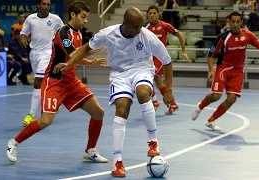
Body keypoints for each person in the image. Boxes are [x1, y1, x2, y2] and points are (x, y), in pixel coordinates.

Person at [53, 7, 175, 178]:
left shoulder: (147, 36)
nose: (140, 29)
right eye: (136, 27)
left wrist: (167, 91)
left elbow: (167, 62)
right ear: (125, 24)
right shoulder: (108, 33)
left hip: (142, 69)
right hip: (119, 74)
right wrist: (69, 63)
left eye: (141, 26)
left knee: (142, 93)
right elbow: (86, 48)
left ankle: (153, 142)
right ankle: (117, 161)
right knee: (122, 109)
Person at [6, 0, 108, 164]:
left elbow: (72, 59)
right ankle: (14, 143)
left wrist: (91, 62)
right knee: (46, 121)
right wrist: (90, 52)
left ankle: (90, 150)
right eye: (83, 17)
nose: (86, 21)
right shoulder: (63, 33)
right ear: (73, 15)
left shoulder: (79, 33)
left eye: (87, 17)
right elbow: (74, 54)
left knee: (98, 112)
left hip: (71, 82)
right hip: (55, 82)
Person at [191, 12, 259, 130]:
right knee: (216, 96)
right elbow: (211, 55)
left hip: (237, 72)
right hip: (223, 69)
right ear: (228, 22)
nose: (235, 24)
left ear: (241, 23)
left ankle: (211, 120)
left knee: (231, 99)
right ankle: (200, 107)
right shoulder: (222, 38)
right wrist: (210, 70)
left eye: (237, 22)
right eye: (232, 22)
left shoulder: (247, 35)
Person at [20, 0, 64, 126]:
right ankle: (54, 101)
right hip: (34, 53)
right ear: (38, 5)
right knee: (43, 81)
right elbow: (23, 33)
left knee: (38, 80)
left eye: (48, 4)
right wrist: (23, 38)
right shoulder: (31, 18)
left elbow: (64, 33)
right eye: (43, 4)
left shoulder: (55, 19)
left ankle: (31, 114)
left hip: (48, 52)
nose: (46, 6)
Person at [145, 5, 190, 115]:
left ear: (158, 14)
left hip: (160, 58)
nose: (152, 15)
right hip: (149, 58)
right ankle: (173, 104)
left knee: (148, 78)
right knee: (159, 83)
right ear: (147, 15)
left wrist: (183, 51)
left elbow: (179, 34)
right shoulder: (145, 28)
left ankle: (155, 102)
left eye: (154, 13)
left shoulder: (164, 25)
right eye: (150, 13)